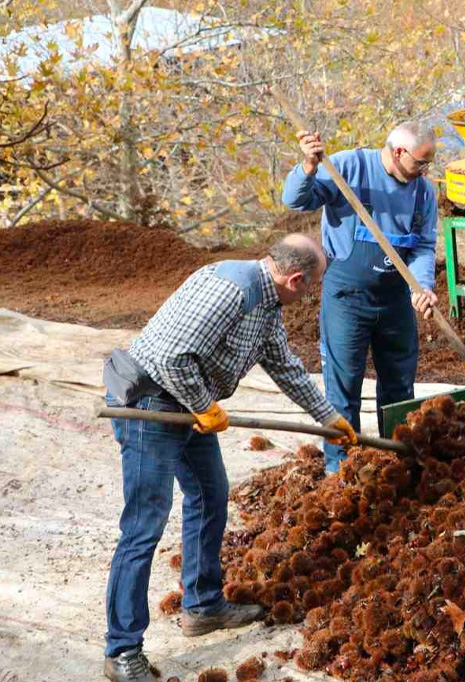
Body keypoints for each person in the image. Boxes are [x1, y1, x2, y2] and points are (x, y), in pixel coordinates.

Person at [99, 235, 358, 682]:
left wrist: (328, 417)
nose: (309, 295)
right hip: (151, 403)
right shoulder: (232, 290)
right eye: (311, 287)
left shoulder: (266, 303)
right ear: (295, 279)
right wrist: (203, 404)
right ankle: (122, 650)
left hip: (188, 405)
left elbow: (284, 365)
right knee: (143, 526)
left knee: (210, 495)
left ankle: (202, 605)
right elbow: (170, 356)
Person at [282, 123, 439, 474]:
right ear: (399, 152)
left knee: (400, 388)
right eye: (420, 163)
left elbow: (424, 246)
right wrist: (308, 166)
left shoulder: (422, 193)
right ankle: (340, 471)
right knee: (344, 387)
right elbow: (294, 200)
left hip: (396, 298)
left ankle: (399, 463)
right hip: (347, 298)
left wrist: (422, 286)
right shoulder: (349, 168)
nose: (423, 171)